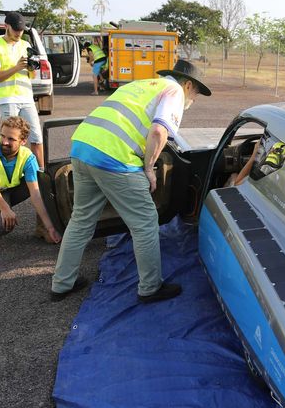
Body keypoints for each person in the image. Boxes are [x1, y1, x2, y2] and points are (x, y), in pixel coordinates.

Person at [50, 59, 211, 302]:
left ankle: (62, 284)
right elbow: (159, 131)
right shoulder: (175, 91)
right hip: (114, 157)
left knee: (81, 220)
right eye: (196, 94)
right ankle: (150, 288)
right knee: (145, 222)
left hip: (81, 147)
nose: (194, 100)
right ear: (188, 84)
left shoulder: (141, 84)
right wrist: (148, 168)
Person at [0, 116, 61, 244]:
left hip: (7, 190)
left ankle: (42, 228)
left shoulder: (28, 157)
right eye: (2, 136)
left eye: (11, 139)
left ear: (23, 141)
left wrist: (50, 227)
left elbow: (36, 194)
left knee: (43, 182)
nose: (4, 142)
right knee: (2, 227)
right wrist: (5, 209)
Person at [0, 11, 45, 168]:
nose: (19, 33)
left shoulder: (26, 45)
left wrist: (32, 67)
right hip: (6, 100)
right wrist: (17, 67)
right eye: (16, 30)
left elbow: (31, 75)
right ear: (6, 26)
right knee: (11, 140)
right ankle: (12, 175)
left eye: (22, 30)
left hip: (26, 98)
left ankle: (41, 174)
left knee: (37, 138)